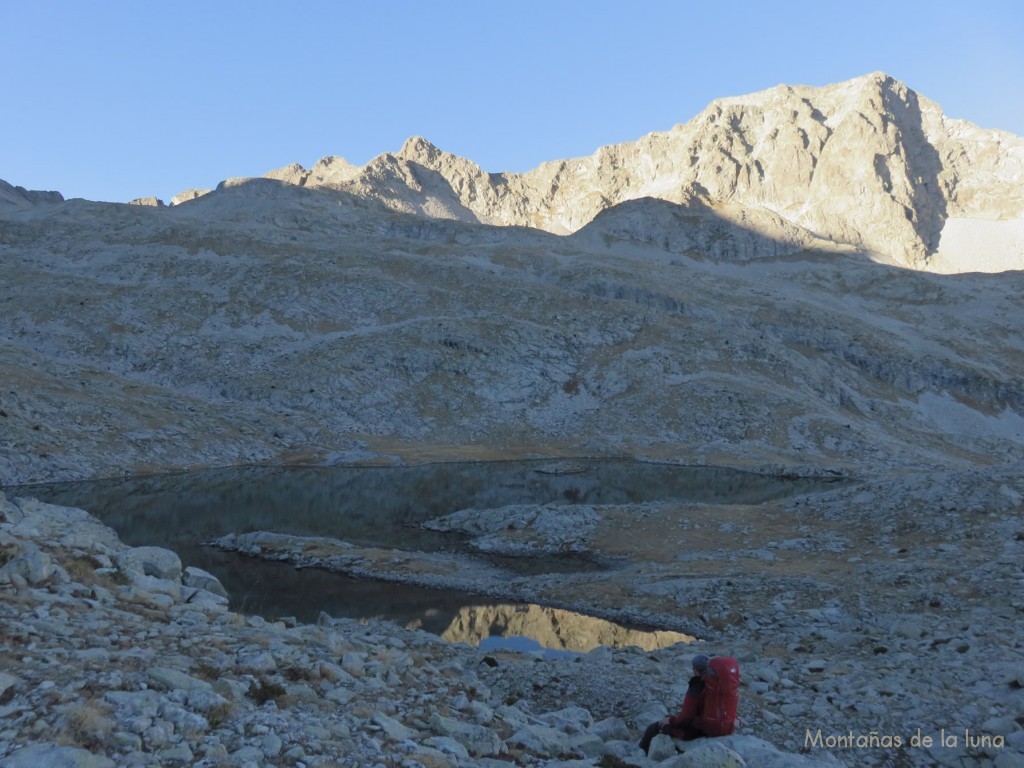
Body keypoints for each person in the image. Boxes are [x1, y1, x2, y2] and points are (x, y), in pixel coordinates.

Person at [639, 653, 740, 755]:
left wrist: (671, 720)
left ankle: (640, 754)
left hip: (701, 729)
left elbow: (686, 717)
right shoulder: (716, 684)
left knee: (654, 727)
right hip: (724, 727)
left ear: (695, 670)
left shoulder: (696, 685)